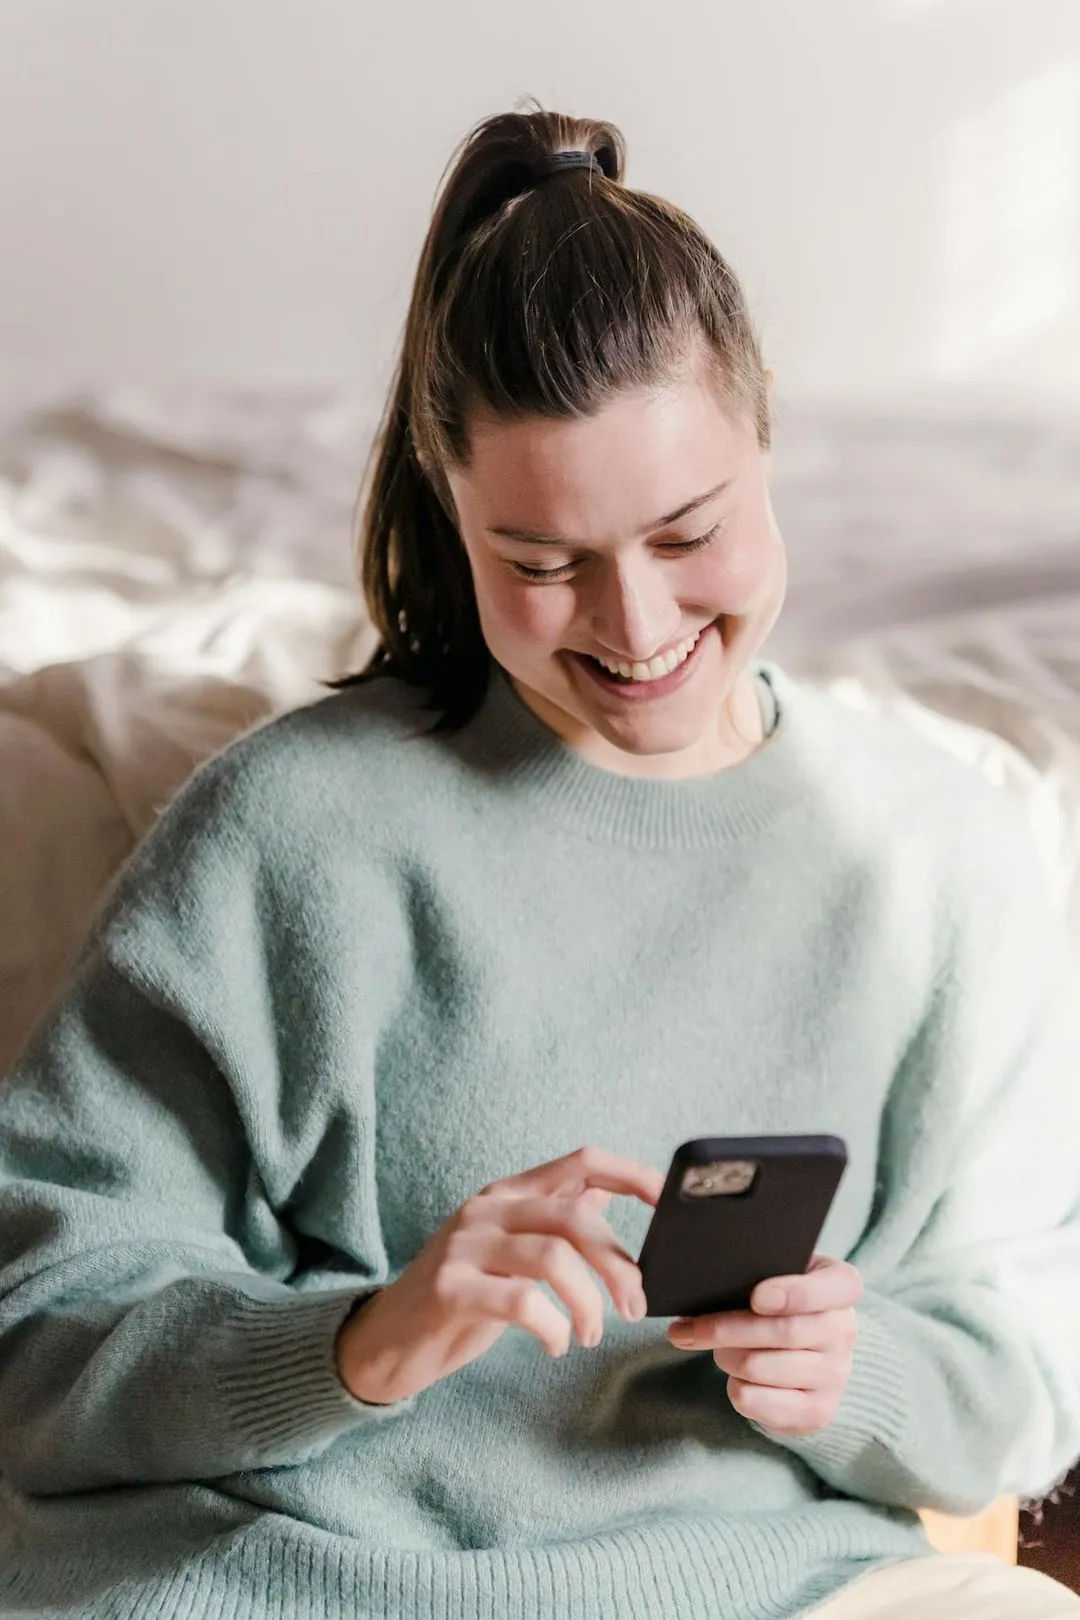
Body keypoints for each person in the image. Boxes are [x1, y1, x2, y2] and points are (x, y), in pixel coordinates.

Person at [0, 107, 1078, 1620]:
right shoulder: (294, 831)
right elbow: (37, 1330)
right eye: (543, 565)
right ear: (453, 512)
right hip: (297, 1572)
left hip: (768, 1583)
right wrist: (365, 1341)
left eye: (687, 532)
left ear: (765, 435)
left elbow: (1021, 1378)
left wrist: (859, 1373)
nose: (635, 633)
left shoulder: (940, 862)